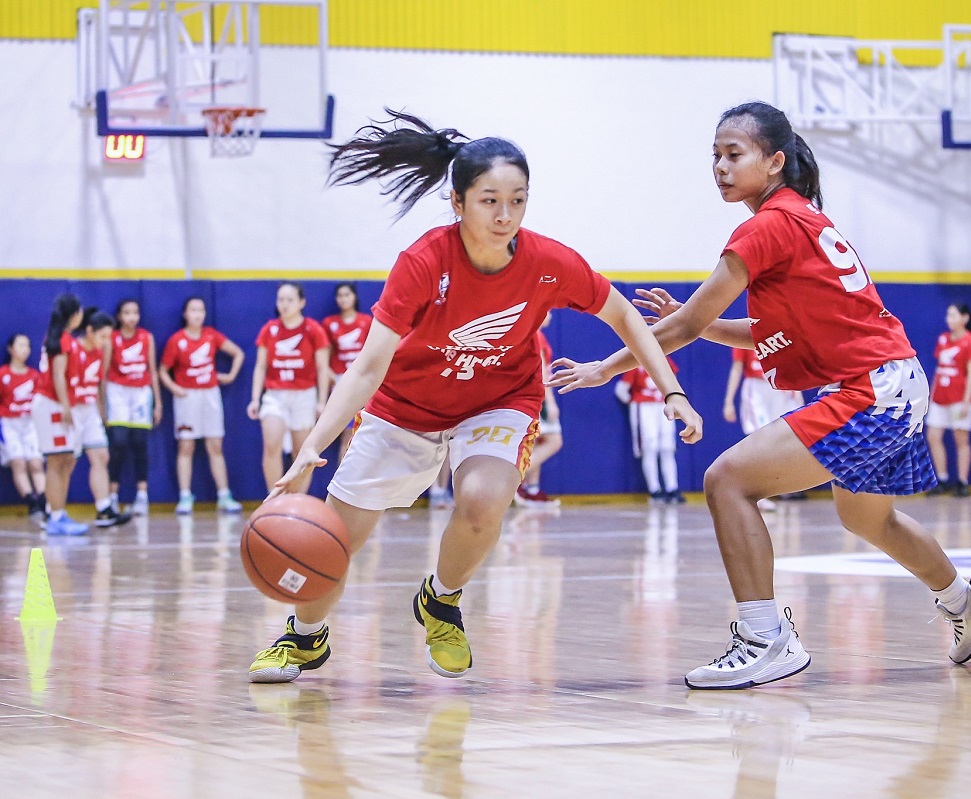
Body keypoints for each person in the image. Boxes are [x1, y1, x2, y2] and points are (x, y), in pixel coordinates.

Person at [550, 101, 971, 690]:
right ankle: (968, 604)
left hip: (870, 389)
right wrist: (700, 322)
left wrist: (604, 367)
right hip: (895, 383)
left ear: (773, 162)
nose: (719, 166)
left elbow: (684, 326)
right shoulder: (801, 219)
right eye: (714, 155)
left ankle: (766, 637)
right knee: (868, 519)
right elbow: (759, 331)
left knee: (727, 481)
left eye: (733, 154)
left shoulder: (764, 227)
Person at [248, 110, 700, 684]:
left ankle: (441, 600)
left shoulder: (549, 263)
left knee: (485, 499)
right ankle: (304, 638)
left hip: (499, 400)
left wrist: (673, 391)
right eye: (489, 200)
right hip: (402, 409)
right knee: (333, 542)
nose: (505, 214)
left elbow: (626, 318)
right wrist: (312, 445)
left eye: (518, 200)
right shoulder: (423, 262)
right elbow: (366, 368)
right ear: (458, 203)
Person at [31, 298, 132, 534]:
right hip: (54, 405)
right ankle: (54, 515)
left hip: (66, 405)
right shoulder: (66, 342)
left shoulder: (67, 340)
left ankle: (64, 513)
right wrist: (66, 406)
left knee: (66, 460)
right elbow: (57, 376)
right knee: (59, 461)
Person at [159, 297, 246, 514]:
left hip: (210, 395)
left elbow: (238, 353)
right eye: (193, 310)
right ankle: (185, 496)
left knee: (215, 446)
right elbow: (162, 370)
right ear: (185, 314)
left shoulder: (211, 335)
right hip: (187, 398)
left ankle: (224, 495)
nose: (197, 314)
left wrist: (231, 375)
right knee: (186, 446)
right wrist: (174, 388)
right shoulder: (176, 340)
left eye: (201, 310)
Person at [248, 282, 331, 496]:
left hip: (304, 395)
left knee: (302, 452)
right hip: (275, 395)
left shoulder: (313, 330)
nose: (284, 304)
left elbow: (323, 369)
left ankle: (297, 500)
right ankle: (273, 497)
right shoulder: (270, 329)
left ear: (302, 302)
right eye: (281, 300)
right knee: (271, 444)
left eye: (290, 300)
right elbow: (260, 366)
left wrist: (322, 401)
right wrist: (255, 398)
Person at [721, 347, 804, 509]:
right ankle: (757, 492)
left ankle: (786, 486)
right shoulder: (743, 332)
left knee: (782, 437)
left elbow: (791, 361)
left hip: (779, 386)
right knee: (758, 439)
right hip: (756, 387)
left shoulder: (778, 330)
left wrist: (797, 388)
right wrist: (728, 401)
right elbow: (736, 368)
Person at [106, 299, 164, 516]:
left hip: (141, 393)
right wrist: (102, 405)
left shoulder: (146, 337)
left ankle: (142, 496)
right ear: (119, 316)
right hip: (118, 392)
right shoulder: (112, 338)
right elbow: (103, 374)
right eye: (127, 313)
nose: (131, 317)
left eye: (135, 312)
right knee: (118, 443)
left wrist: (157, 402)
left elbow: (152, 370)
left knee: (140, 443)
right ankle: (112, 496)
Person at [925, 303, 971, 497]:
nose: (949, 319)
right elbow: (938, 370)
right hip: (940, 397)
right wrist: (931, 397)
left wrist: (966, 401)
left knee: (961, 439)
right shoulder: (942, 339)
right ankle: (942, 478)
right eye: (948, 314)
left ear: (964, 318)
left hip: (959, 398)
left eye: (953, 315)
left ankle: (962, 482)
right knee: (933, 435)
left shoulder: (970, 341)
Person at [616, 360, 684, 503]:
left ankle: (672, 488)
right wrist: (634, 401)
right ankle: (655, 490)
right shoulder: (634, 360)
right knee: (650, 447)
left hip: (663, 406)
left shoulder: (664, 359)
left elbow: (673, 382)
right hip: (644, 407)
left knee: (667, 447)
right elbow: (621, 390)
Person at [321, 282, 373, 463]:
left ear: (354, 297)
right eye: (340, 296)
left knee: (366, 435)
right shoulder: (329, 324)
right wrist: (333, 379)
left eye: (347, 295)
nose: (343, 299)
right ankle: (341, 482)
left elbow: (374, 354)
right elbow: (323, 359)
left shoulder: (366, 322)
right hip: (340, 382)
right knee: (346, 435)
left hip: (364, 383)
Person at [515, 312, 562, 506]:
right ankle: (514, 480)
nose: (550, 315)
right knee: (555, 441)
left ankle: (531, 490)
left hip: (529, 397)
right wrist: (550, 401)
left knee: (533, 443)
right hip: (538, 398)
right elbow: (541, 371)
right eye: (547, 311)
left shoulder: (531, 335)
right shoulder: (536, 335)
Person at [0, 333, 46, 521]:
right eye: (20, 345)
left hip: (30, 424)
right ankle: (31, 502)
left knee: (36, 463)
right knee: (18, 462)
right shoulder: (3, 374)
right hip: (9, 424)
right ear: (10, 349)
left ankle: (44, 500)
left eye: (27, 345)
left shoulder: (34, 375)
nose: (25, 349)